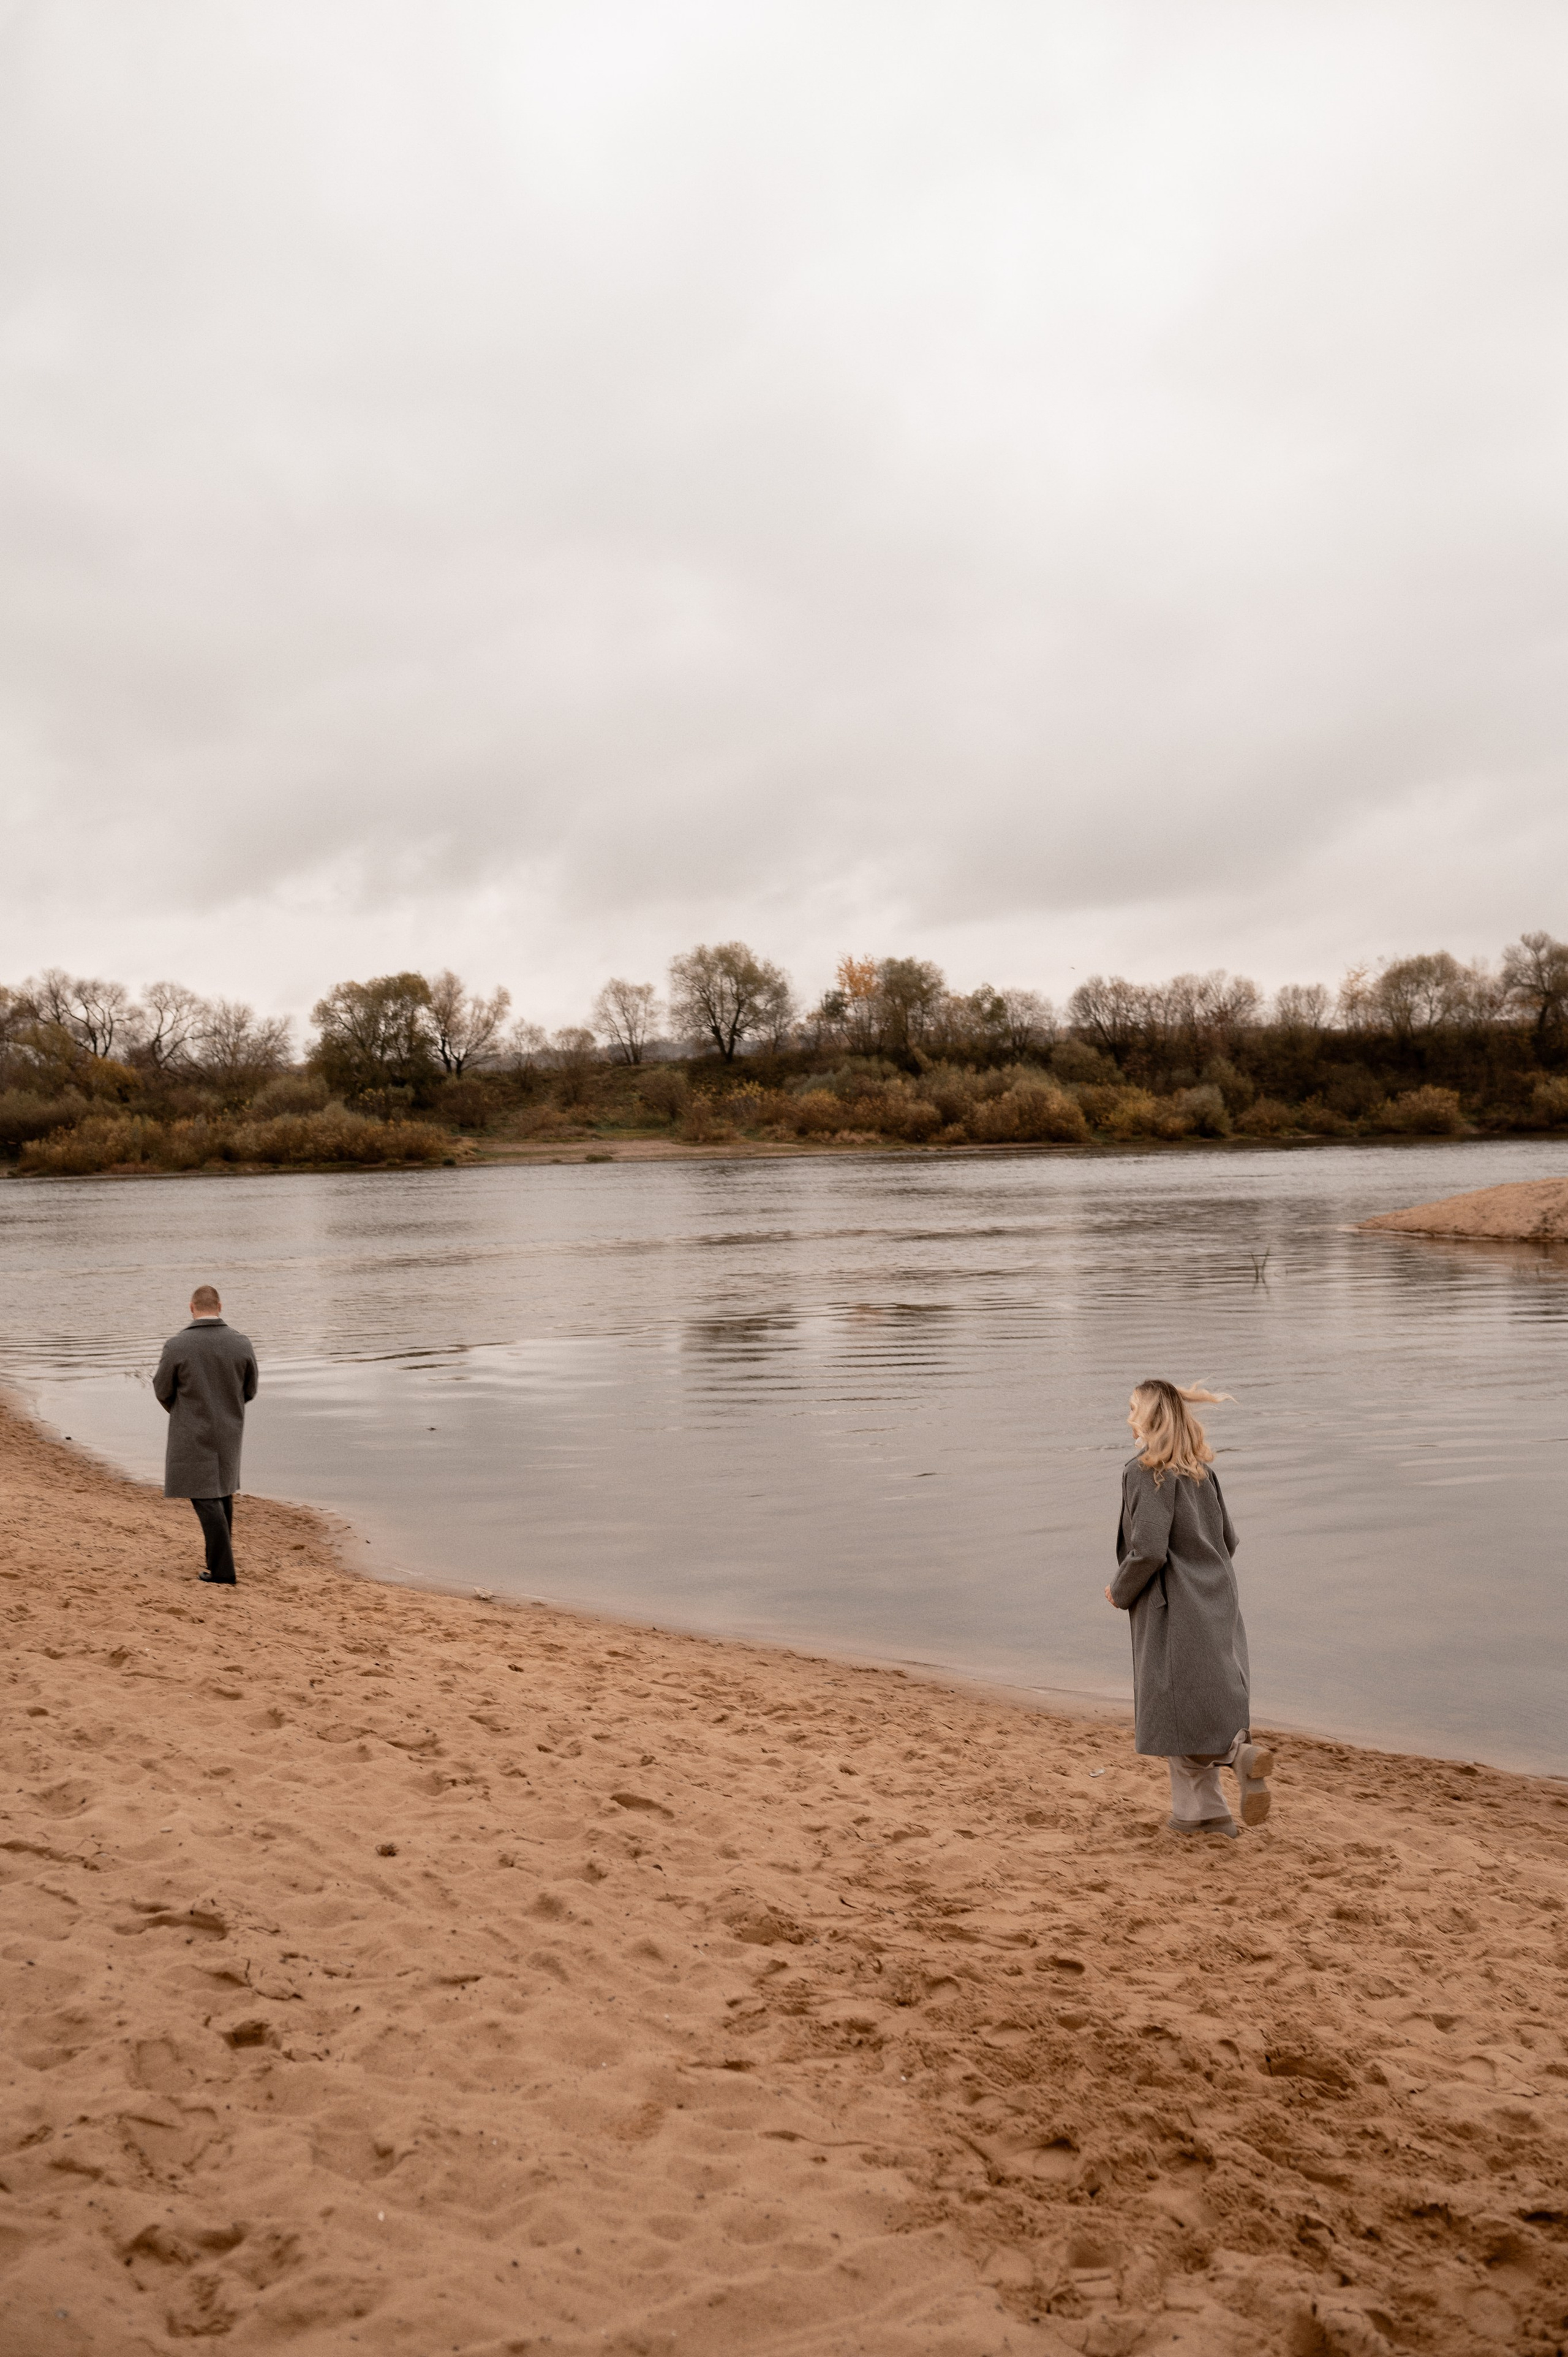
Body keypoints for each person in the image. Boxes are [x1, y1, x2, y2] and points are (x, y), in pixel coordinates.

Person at [1105, 1379, 1272, 1837]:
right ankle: (1205, 1816)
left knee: (1177, 1706)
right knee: (1195, 1701)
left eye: (1132, 1410)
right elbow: (1229, 1542)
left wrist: (1120, 1590)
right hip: (1216, 1594)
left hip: (1171, 1603)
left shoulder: (1145, 1472)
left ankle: (1236, 1757)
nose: (1128, 1419)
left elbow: (1149, 1550)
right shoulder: (1201, 1471)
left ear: (1149, 1419)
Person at [153, 1286, 259, 1586]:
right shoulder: (241, 1343)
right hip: (229, 1428)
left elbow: (162, 1390)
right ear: (220, 1306)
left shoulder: (177, 1345)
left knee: (207, 1495)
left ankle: (223, 1571)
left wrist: (186, 1413)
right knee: (220, 1492)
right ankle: (219, 1564)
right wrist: (227, 1409)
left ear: (191, 1308)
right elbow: (250, 1390)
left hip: (192, 1429)